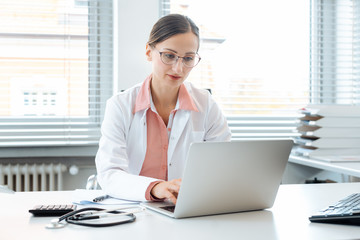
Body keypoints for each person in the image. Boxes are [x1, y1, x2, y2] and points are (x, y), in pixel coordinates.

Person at [95, 14, 231, 204]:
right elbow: (109, 173)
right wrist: (155, 187)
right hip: (136, 207)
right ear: (149, 52)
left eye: (188, 58)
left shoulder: (206, 105)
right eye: (169, 56)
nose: (178, 68)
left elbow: (223, 165)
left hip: (187, 207)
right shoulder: (120, 105)